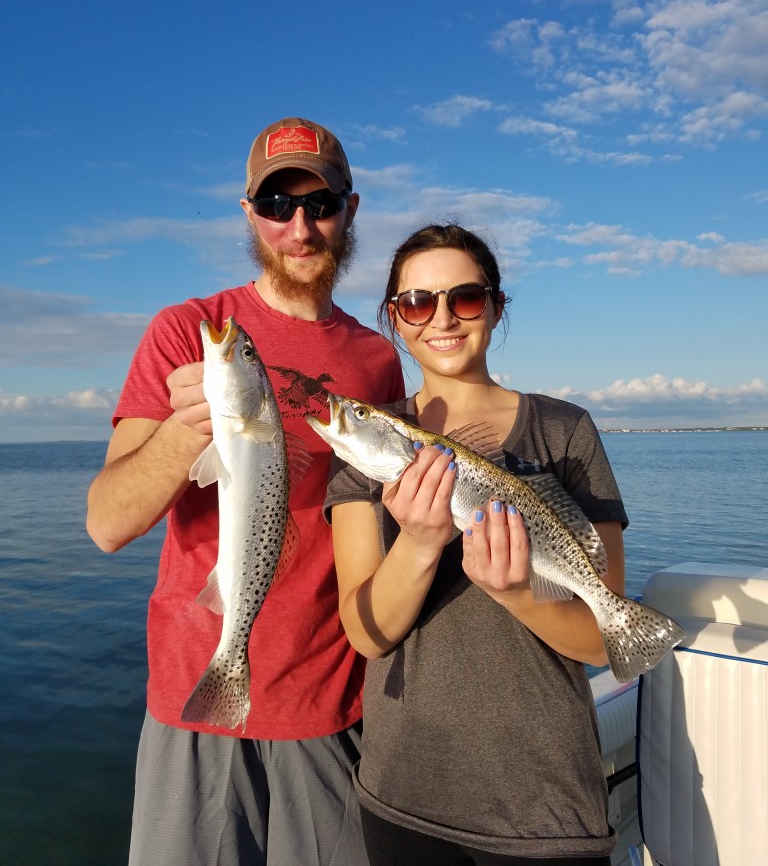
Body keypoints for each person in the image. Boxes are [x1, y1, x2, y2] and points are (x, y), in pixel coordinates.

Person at [86, 117, 404, 866]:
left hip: (333, 705)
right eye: (277, 206)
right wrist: (182, 432)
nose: (300, 227)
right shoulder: (189, 329)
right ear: (249, 215)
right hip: (197, 706)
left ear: (349, 211)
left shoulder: (376, 360)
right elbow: (106, 523)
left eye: (320, 204)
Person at [324, 223, 627, 866]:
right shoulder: (366, 454)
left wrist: (517, 592)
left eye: (464, 298)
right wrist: (418, 541)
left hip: (546, 801)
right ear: (394, 318)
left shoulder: (564, 429)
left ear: (494, 306)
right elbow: (367, 634)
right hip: (402, 792)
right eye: (416, 302)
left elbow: (605, 635)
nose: (441, 318)